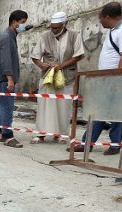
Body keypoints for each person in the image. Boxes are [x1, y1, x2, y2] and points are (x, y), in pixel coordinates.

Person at [78, 2, 122, 155]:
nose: (100, 22)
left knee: (117, 112)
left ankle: (113, 144)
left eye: (100, 19)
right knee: (100, 110)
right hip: (109, 79)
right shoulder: (117, 29)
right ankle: (88, 143)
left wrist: (118, 80)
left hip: (116, 79)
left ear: (107, 17)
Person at [30, 11, 84, 144]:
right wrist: (42, 65)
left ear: (65, 24)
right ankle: (41, 133)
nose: (53, 30)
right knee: (44, 105)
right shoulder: (44, 36)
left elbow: (78, 56)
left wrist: (61, 66)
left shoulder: (74, 36)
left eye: (57, 27)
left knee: (63, 106)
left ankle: (61, 134)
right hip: (48, 77)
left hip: (67, 77)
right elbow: (35, 56)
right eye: (52, 27)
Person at [0, 10, 29, 148]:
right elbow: (5, 60)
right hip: (3, 79)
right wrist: (10, 79)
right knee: (7, 107)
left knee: (2, 107)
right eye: (23, 22)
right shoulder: (7, 36)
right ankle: (8, 137)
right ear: (15, 22)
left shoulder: (10, 36)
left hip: (0, 78)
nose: (24, 25)